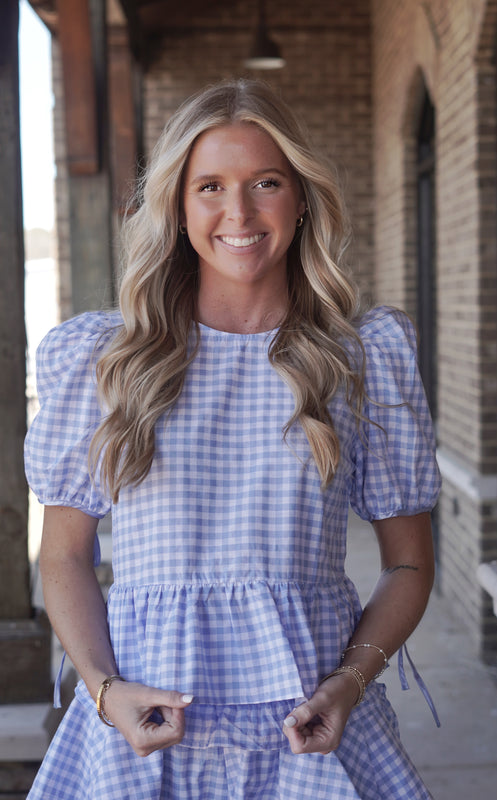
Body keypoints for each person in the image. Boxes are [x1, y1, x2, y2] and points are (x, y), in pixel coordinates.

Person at [25, 78, 441, 800]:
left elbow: (408, 567)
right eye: (209, 186)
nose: (238, 212)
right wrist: (104, 688)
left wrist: (347, 685)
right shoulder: (106, 362)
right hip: (141, 739)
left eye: (266, 182)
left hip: (311, 735)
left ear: (302, 196)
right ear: (178, 209)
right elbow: (64, 555)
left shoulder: (361, 359)